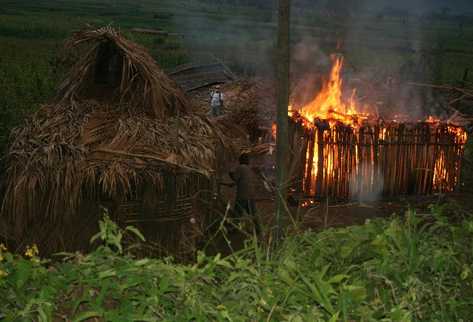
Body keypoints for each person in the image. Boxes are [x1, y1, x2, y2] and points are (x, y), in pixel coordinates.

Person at [229, 153, 262, 236]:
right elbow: (242, 180)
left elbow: (235, 178)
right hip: (250, 194)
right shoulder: (249, 169)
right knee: (252, 213)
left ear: (240, 160)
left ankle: (233, 228)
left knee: (237, 213)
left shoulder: (240, 168)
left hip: (242, 195)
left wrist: (230, 174)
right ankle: (258, 229)